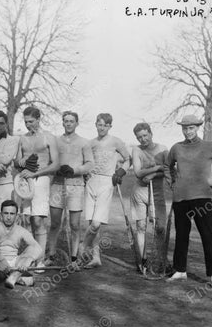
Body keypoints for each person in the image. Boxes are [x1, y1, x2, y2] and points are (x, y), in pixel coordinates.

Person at [166, 115, 212, 288]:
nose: (188, 131)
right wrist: (172, 182)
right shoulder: (176, 148)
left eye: (191, 128)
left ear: (197, 127)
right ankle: (180, 270)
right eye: (185, 128)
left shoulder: (209, 146)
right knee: (181, 235)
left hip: (202, 198)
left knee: (209, 236)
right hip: (180, 199)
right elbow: (168, 166)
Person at [43, 111, 93, 268]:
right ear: (62, 123)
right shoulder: (56, 141)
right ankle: (51, 256)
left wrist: (74, 170)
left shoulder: (84, 142)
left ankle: (73, 259)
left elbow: (90, 164)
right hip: (58, 185)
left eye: (72, 121)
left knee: (75, 224)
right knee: (55, 223)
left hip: (75, 186)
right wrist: (56, 170)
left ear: (77, 123)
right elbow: (49, 162)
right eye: (66, 121)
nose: (69, 123)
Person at [82, 113, 130, 268]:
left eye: (105, 125)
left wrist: (120, 172)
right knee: (92, 222)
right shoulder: (90, 143)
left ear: (110, 126)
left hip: (106, 181)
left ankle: (82, 247)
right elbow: (85, 162)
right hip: (91, 181)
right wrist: (84, 172)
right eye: (99, 124)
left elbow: (127, 159)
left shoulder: (116, 141)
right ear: (95, 124)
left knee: (96, 224)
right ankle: (95, 257)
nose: (101, 128)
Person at [16, 106, 59, 271]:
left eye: (31, 121)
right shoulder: (22, 138)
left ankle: (39, 260)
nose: (28, 125)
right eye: (26, 122)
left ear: (39, 119)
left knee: (38, 220)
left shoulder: (48, 137)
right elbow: (17, 160)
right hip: (25, 181)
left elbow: (56, 164)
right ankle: (29, 258)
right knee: (26, 220)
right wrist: (19, 162)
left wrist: (36, 173)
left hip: (41, 180)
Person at [130, 122, 169, 273]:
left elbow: (168, 169)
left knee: (159, 227)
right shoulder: (136, 150)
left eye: (145, 135)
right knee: (141, 227)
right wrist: (157, 167)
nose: (143, 139)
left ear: (151, 134)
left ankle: (161, 260)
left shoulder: (162, 149)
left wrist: (154, 173)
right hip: (140, 191)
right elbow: (138, 173)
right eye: (139, 137)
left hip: (157, 192)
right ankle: (144, 260)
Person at [0, 200, 42, 289]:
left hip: (15, 263)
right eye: (6, 213)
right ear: (1, 215)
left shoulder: (21, 230)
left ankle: (13, 277)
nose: (8, 217)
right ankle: (17, 277)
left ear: (17, 216)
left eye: (12, 214)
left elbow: (37, 248)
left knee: (31, 249)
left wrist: (28, 261)